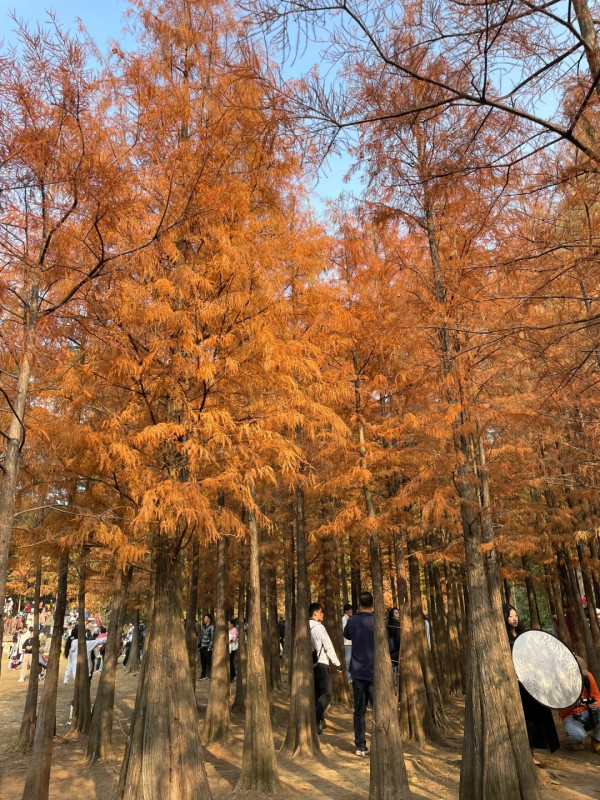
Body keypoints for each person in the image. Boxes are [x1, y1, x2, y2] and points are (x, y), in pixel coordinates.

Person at [504, 604, 559, 759]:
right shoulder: (503, 638)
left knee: (538, 714)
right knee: (524, 719)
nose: (514, 619)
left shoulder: (524, 634)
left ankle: (534, 750)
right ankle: (527, 753)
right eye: (510, 616)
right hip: (516, 685)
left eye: (515, 615)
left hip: (531, 682)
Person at [343, 591, 375, 756]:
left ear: (358, 604)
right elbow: (389, 645)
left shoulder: (352, 621)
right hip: (375, 672)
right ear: (372, 604)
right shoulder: (376, 622)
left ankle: (360, 745)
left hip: (357, 671)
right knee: (378, 709)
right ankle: (379, 742)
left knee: (359, 710)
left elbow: (346, 634)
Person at [309, 602, 342, 734]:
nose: (323, 614)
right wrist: (337, 663)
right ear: (315, 613)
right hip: (322, 663)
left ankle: (319, 722)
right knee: (326, 694)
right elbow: (328, 645)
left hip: (310, 665)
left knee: (316, 694)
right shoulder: (319, 628)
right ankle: (316, 719)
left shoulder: (304, 626)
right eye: (321, 612)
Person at [559, 655, 600, 752]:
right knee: (578, 736)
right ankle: (578, 740)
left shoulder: (588, 677)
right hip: (570, 715)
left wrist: (594, 704)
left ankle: (597, 740)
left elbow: (597, 696)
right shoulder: (560, 682)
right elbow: (561, 706)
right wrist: (578, 703)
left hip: (588, 711)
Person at [199, 614, 215, 680]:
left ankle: (210, 675)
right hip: (202, 646)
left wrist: (210, 647)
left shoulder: (212, 627)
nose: (204, 619)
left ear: (209, 619)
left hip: (208, 646)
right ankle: (203, 675)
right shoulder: (203, 626)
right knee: (203, 662)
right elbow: (202, 636)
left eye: (205, 618)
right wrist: (199, 645)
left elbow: (212, 637)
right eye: (204, 618)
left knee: (209, 661)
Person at [387, 608, 400, 676]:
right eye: (396, 613)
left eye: (398, 613)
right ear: (392, 616)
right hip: (396, 650)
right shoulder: (397, 625)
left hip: (390, 651)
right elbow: (398, 639)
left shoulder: (388, 624)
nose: (398, 615)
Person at [342, 603, 353, 679]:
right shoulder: (344, 619)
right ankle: (348, 678)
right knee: (348, 661)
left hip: (351, 642)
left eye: (351, 610)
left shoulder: (349, 619)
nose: (351, 611)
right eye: (350, 610)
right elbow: (345, 630)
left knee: (350, 660)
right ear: (346, 611)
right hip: (347, 643)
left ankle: (350, 677)